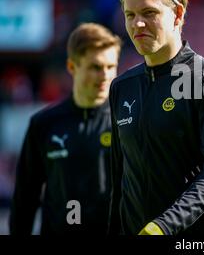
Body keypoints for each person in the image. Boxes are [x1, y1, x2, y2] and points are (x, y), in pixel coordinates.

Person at [108, 0, 204, 236]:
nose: (137, 24)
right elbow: (119, 177)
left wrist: (163, 226)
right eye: (130, 15)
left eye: (149, 13)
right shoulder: (122, 87)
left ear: (178, 14)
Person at [10, 23, 122, 235]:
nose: (105, 76)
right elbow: (25, 196)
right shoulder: (44, 124)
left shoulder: (127, 120)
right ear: (72, 67)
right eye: (95, 67)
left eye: (110, 67)